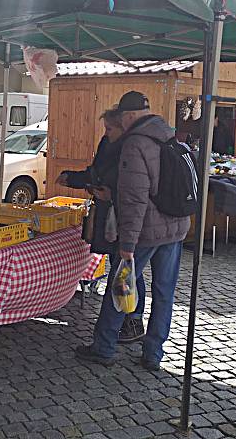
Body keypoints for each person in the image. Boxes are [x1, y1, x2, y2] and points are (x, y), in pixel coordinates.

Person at [76, 91, 191, 371]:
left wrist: (126, 244)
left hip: (146, 232)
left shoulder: (135, 144)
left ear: (127, 117)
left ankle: (103, 347)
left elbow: (134, 199)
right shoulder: (170, 136)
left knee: (121, 286)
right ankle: (154, 353)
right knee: (164, 293)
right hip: (176, 228)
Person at [56, 108, 146, 343]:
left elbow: (135, 187)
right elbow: (96, 173)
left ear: (123, 126)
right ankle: (128, 320)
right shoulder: (108, 144)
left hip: (125, 217)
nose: (106, 133)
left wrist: (112, 195)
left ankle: (130, 321)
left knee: (127, 270)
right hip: (109, 214)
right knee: (125, 269)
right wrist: (74, 179)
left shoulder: (132, 148)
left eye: (109, 128)